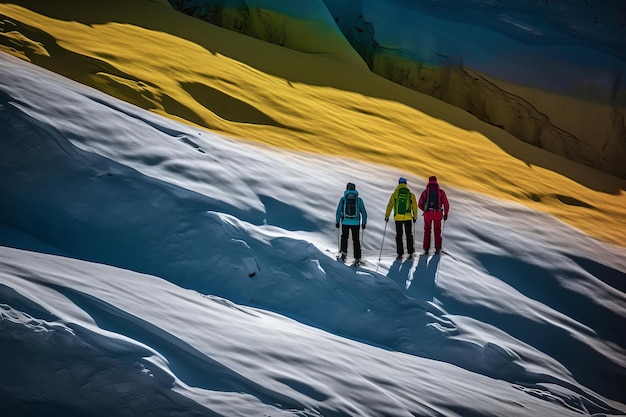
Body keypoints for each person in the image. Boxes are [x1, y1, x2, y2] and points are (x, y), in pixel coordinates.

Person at [385, 177, 418, 259]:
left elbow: (390, 205)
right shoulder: (410, 194)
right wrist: (415, 216)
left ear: (399, 184)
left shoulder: (395, 194)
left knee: (399, 235)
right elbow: (414, 206)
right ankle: (410, 252)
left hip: (398, 217)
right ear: (406, 184)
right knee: (409, 234)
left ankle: (400, 253)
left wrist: (387, 216)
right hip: (408, 217)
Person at [335, 182, 368, 264]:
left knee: (344, 237)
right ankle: (357, 258)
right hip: (356, 223)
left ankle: (343, 254)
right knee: (356, 240)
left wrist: (337, 221)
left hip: (345, 222)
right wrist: (363, 223)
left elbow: (338, 211)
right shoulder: (359, 200)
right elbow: (364, 212)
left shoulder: (343, 199)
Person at [418, 176, 450, 255]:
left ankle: (426, 249)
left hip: (428, 214)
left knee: (427, 231)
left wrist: (425, 210)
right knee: (437, 231)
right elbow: (446, 204)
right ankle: (438, 249)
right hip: (438, 214)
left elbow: (419, 204)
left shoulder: (425, 192)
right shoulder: (440, 192)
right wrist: (446, 214)